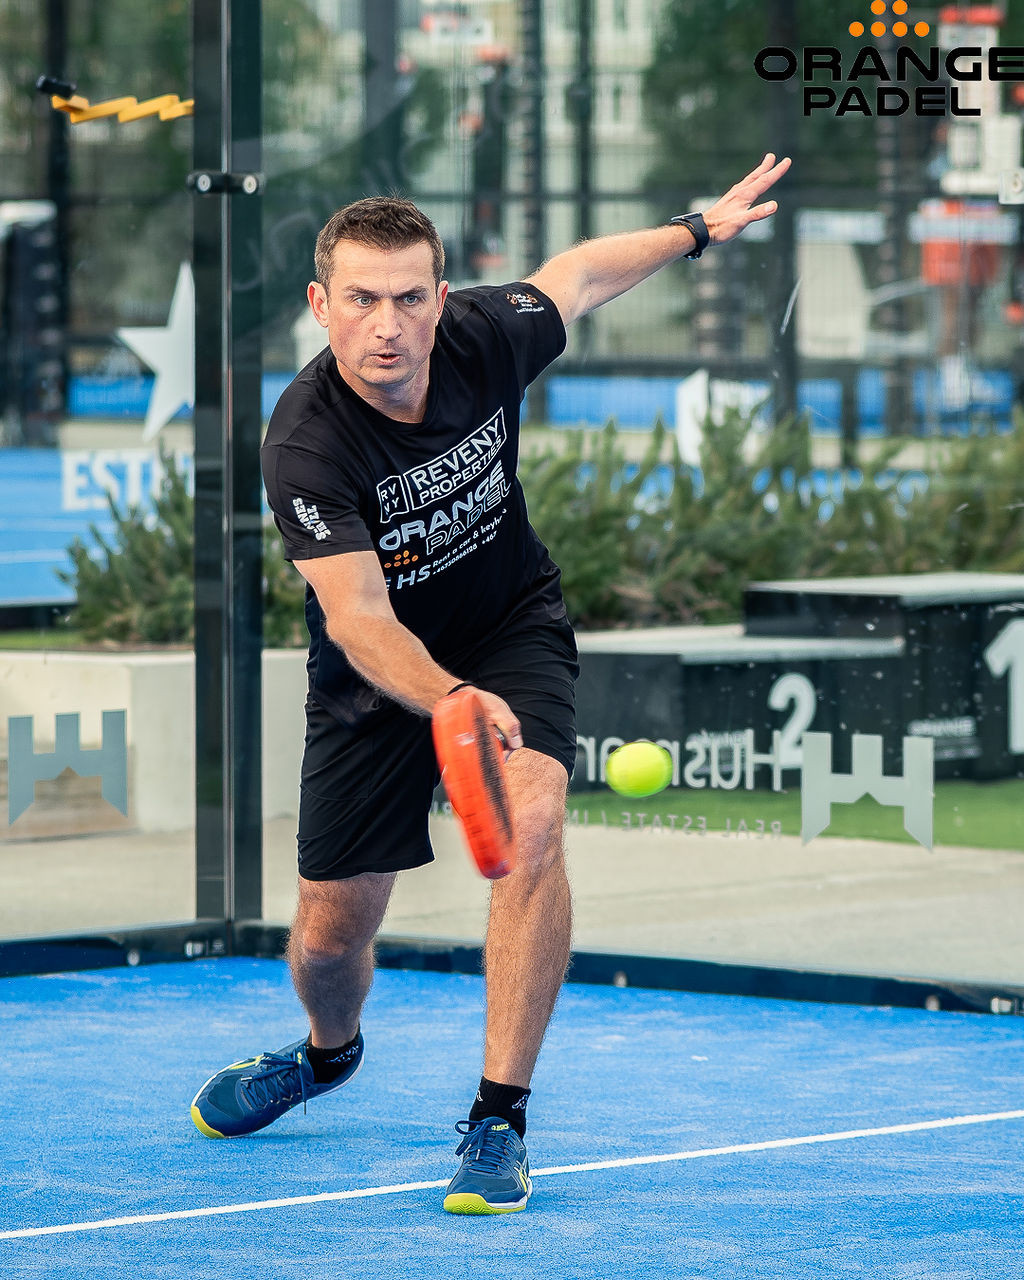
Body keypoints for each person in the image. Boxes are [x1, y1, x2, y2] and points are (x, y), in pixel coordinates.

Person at [190, 152, 791, 1214]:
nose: (387, 324)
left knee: (535, 827)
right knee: (329, 937)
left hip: (512, 623)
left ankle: (499, 1115)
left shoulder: (483, 333)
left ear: (441, 297)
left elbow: (580, 276)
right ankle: (328, 1052)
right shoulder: (305, 443)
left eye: (408, 298)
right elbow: (359, 619)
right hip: (378, 678)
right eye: (362, 300)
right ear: (321, 306)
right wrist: (447, 700)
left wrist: (697, 227)